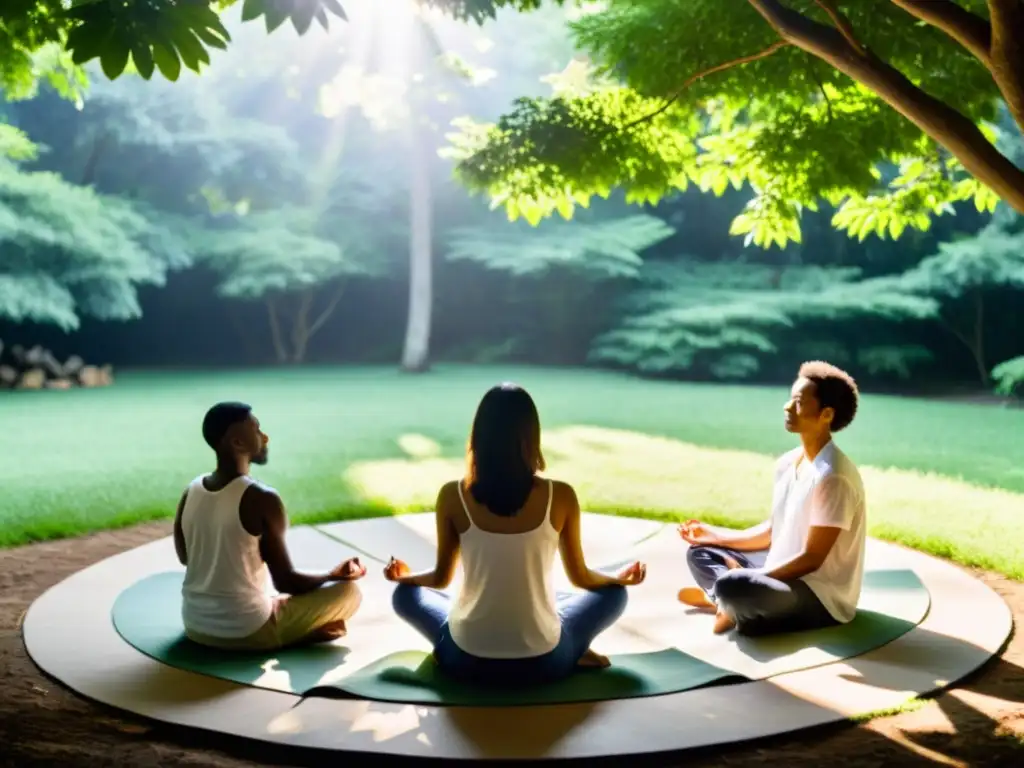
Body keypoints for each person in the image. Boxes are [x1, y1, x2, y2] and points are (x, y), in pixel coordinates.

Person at [385, 383, 647, 685]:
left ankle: (548, 637)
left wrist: (405, 577)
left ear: (478, 436)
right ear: (531, 436)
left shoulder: (452, 495)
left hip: (466, 663)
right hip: (545, 664)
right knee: (614, 594)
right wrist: (619, 578)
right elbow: (581, 577)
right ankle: (574, 650)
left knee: (405, 595)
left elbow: (441, 578)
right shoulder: (560, 495)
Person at [678, 361, 866, 637]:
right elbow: (771, 532)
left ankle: (725, 598)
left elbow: (813, 559)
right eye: (790, 398)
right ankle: (727, 602)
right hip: (779, 569)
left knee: (736, 585)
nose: (787, 407)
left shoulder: (833, 477)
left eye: (799, 402)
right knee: (700, 553)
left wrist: (751, 578)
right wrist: (714, 537)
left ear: (826, 414)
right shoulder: (788, 463)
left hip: (819, 595)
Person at [173, 401, 366, 651]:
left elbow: (185, 557)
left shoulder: (192, 490)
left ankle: (295, 625)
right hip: (246, 631)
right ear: (237, 443)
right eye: (256, 429)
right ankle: (294, 635)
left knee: (289, 589)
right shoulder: (263, 498)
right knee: (349, 592)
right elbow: (285, 582)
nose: (265, 437)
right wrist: (333, 576)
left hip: (195, 625)